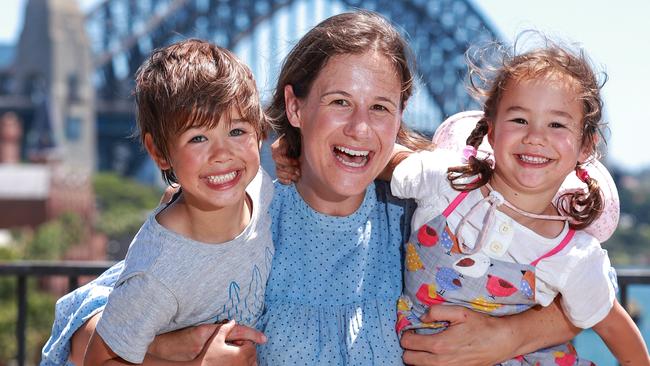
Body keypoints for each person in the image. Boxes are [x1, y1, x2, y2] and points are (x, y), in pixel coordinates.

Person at [44, 12, 614, 366]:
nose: (360, 129)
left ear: (397, 121)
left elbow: (585, 288)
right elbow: (91, 323)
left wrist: (509, 336)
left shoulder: (424, 217)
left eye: (380, 109)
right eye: (339, 103)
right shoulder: (250, 212)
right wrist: (180, 351)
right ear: (295, 106)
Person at [390, 37, 649, 364]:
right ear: (491, 131)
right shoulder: (443, 181)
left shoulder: (575, 256)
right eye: (519, 119)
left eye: (556, 124)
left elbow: (616, 330)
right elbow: (379, 159)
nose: (535, 136)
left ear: (585, 146)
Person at [44, 39, 274, 366]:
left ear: (260, 133)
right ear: (160, 152)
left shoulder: (261, 190)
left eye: (237, 131)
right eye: (198, 138)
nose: (223, 154)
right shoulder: (157, 271)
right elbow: (98, 361)